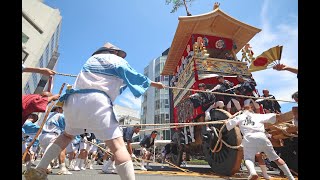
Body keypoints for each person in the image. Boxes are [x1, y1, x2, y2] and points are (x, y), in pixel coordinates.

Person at [24, 42, 165, 180]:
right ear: (114, 52)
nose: (121, 56)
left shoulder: (90, 60)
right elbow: (133, 75)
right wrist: (154, 84)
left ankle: (40, 169)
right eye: (120, 54)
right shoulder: (115, 60)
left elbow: (118, 83)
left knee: (66, 136)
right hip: (97, 99)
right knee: (118, 146)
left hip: (73, 101)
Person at [223, 102, 295, 180]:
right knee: (276, 158)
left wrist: (227, 122)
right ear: (251, 110)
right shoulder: (258, 116)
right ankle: (291, 178)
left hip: (249, 138)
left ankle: (253, 173)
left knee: (248, 158)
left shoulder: (239, 117)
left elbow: (228, 126)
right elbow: (275, 117)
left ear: (243, 110)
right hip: (262, 137)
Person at [38, 105, 72, 175]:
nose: (63, 111)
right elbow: (66, 128)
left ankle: (47, 167)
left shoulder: (46, 115)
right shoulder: (60, 115)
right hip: (53, 135)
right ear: (58, 109)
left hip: (42, 136)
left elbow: (39, 124)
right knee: (62, 149)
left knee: (46, 152)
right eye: (62, 109)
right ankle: (62, 168)